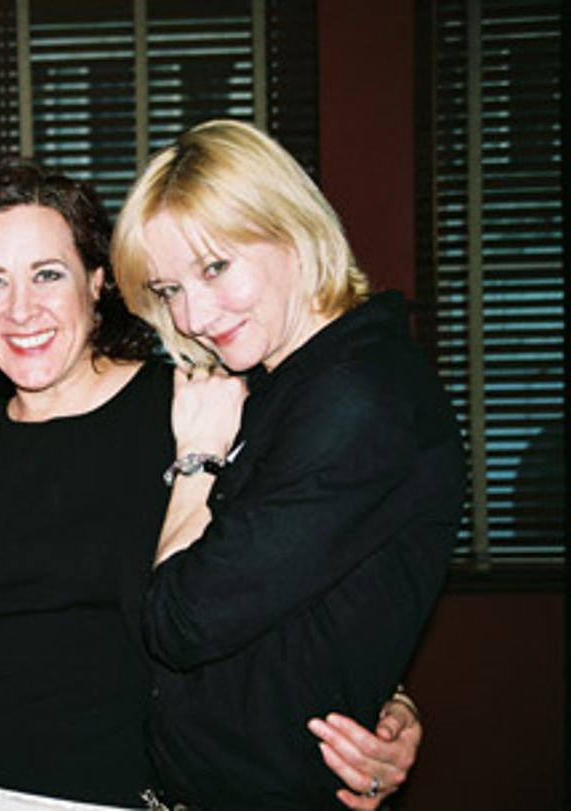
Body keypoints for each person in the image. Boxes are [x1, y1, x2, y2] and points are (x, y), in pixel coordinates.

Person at [0, 159, 426, 810]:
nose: (22, 309)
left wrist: (390, 697)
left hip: (132, 792)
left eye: (48, 274)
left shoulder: (198, 408)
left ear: (98, 281)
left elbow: (297, 582)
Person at [111, 119, 464, 809]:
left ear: (294, 230)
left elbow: (181, 621)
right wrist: (388, 692)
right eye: (169, 288)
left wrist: (197, 462)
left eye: (214, 267)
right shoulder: (277, 381)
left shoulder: (360, 396)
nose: (192, 315)